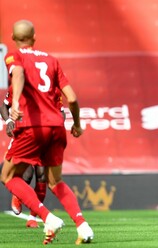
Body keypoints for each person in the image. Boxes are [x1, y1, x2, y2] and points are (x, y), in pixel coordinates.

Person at [1, 19, 94, 244]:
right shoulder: (52, 60)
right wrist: (77, 124)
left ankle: (47, 218)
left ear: (12, 38)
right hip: (56, 127)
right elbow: (72, 98)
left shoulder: (14, 56)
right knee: (56, 181)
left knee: (8, 176)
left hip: (32, 127)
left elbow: (18, 74)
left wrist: (15, 102)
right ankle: (83, 226)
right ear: (34, 37)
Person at [1, 90, 48, 228]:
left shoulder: (50, 88)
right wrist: (9, 121)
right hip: (24, 134)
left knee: (42, 175)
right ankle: (18, 195)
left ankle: (32, 218)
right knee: (27, 174)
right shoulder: (18, 86)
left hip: (43, 135)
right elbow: (4, 106)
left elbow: (61, 111)